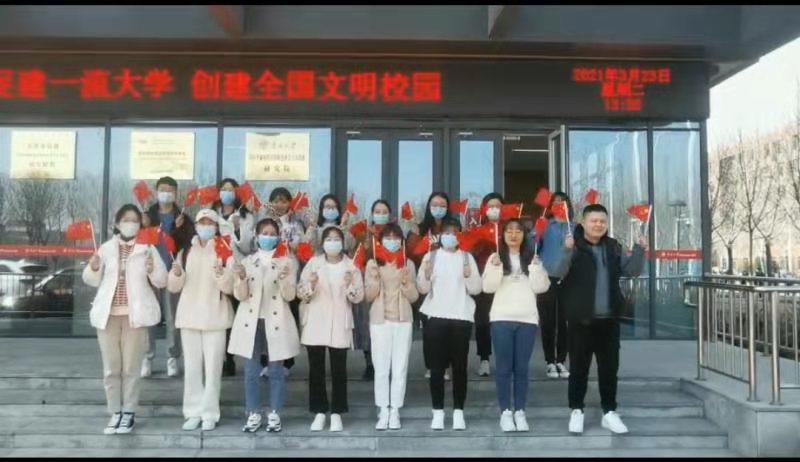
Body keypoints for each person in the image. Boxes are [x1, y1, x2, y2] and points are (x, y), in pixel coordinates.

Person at [552, 203, 647, 435]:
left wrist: (639, 249)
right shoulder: (573, 246)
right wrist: (566, 251)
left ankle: (609, 412)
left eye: (602, 221)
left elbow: (632, 271)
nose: (598, 225)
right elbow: (557, 272)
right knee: (579, 369)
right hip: (580, 320)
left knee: (609, 370)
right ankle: (576, 410)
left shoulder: (613, 247)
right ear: (583, 223)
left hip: (609, 320)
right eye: (593, 221)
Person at [83, 204, 168, 435]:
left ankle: (129, 411)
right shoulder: (106, 248)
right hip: (108, 317)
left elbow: (162, 280)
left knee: (131, 367)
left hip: (134, 317)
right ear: (118, 223)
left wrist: (152, 268)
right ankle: (115, 411)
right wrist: (93, 267)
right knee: (111, 368)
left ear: (140, 225)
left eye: (135, 220)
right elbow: (90, 279)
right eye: (126, 219)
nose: (131, 224)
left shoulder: (147, 248)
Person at [228, 218, 300, 433]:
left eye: (272, 233)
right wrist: (241, 279)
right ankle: (253, 412)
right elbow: (240, 296)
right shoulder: (247, 262)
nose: (268, 237)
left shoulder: (287, 262)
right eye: (264, 233)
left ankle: (275, 413)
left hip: (276, 321)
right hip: (251, 322)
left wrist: (285, 279)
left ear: (278, 237)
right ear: (257, 236)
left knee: (276, 370)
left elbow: (290, 296)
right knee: (251, 370)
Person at [168, 209, 235, 432]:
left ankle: (210, 413)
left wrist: (221, 274)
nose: (206, 226)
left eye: (210, 222)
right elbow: (174, 286)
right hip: (189, 317)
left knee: (213, 369)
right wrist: (176, 274)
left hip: (215, 317)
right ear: (196, 225)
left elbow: (230, 287)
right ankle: (192, 411)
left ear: (216, 227)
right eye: (202, 222)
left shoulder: (224, 250)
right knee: (192, 368)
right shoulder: (185, 251)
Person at [482, 218, 550, 432]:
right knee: (503, 369)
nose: (513, 235)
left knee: (521, 369)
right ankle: (505, 412)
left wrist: (536, 269)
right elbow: (487, 287)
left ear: (524, 235)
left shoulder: (532, 257)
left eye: (518, 231)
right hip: (501, 319)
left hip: (527, 320)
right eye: (509, 231)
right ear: (502, 235)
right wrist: (495, 268)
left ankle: (520, 411)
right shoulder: (495, 257)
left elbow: (541, 288)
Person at [417, 217, 482, 431]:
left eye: (455, 232)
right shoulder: (431, 256)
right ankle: (437, 411)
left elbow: (476, 289)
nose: (450, 236)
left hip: (460, 317)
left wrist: (469, 276)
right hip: (436, 316)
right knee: (436, 369)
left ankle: (458, 411)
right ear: (440, 235)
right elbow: (422, 288)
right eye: (446, 232)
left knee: (459, 368)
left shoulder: (466, 257)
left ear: (460, 235)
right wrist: (426, 276)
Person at [297, 226, 364, 432]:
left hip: (339, 322)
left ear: (342, 243)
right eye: (329, 238)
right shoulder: (313, 263)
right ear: (322, 242)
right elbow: (301, 292)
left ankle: (336, 412)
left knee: (339, 370)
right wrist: (311, 285)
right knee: (316, 369)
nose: (332, 242)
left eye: (336, 239)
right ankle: (319, 412)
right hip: (316, 321)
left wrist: (350, 285)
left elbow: (358, 296)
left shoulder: (351, 266)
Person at [364, 223, 419, 430]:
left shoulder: (408, 263)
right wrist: (374, 279)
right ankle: (383, 409)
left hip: (402, 321)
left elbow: (414, 297)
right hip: (380, 321)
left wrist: (406, 282)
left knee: (400, 367)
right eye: (388, 237)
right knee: (381, 368)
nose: (392, 241)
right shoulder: (373, 263)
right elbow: (369, 296)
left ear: (402, 241)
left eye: (396, 237)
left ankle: (395, 409)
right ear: (380, 241)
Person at [141, 176, 195, 379]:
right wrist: (143, 226)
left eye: (170, 190)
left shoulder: (183, 218)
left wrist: (178, 228)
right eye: (162, 189)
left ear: (175, 193)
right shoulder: (147, 216)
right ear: (156, 192)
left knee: (173, 319)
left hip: (173, 274)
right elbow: (136, 240)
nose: (166, 193)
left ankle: (172, 357)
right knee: (149, 317)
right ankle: (147, 357)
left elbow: (188, 244)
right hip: (150, 274)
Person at [406, 192, 458, 380]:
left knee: (449, 327)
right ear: (429, 207)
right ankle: (431, 365)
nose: (438, 208)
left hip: (449, 283)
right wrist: (414, 235)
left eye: (442, 205)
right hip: (427, 282)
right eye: (435, 205)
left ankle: (447, 366)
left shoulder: (453, 228)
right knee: (430, 329)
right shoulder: (420, 228)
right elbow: (410, 253)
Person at [213, 177, 257, 377]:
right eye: (224, 189)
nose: (227, 192)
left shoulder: (247, 216)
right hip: (216, 268)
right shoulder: (211, 214)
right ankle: (222, 358)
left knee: (236, 315)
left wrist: (238, 228)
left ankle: (232, 357)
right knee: (218, 314)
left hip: (237, 269)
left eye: (231, 189)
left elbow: (248, 247)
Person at [529, 191, 574, 380]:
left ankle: (561, 360)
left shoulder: (575, 227)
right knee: (548, 321)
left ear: (568, 205)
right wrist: (534, 234)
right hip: (546, 278)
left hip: (569, 279)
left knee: (565, 322)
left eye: (562, 201)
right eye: (555, 202)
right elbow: (532, 247)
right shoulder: (545, 224)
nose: (559, 204)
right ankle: (549, 361)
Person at [263, 187, 308, 375]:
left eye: (283, 201)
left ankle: (287, 362)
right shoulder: (264, 222)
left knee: (287, 318)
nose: (279, 205)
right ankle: (266, 361)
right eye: (276, 201)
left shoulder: (296, 224)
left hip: (290, 274)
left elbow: (301, 246)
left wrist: (291, 245)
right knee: (267, 318)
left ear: (289, 203)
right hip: (268, 273)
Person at [351, 199, 393, 381]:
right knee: (367, 324)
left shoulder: (394, 234)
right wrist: (365, 247)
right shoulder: (364, 234)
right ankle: (370, 363)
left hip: (389, 283)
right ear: (372, 214)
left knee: (387, 324)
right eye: (377, 211)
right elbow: (356, 257)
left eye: (384, 212)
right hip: (369, 281)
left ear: (389, 215)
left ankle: (386, 363)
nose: (381, 215)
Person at [471, 192, 505, 377]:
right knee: (483, 322)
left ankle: (504, 359)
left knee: (502, 322)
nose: (494, 209)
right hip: (483, 280)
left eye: (498, 206)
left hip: (505, 282)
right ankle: (484, 359)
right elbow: (472, 251)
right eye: (490, 206)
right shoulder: (478, 229)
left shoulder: (509, 228)